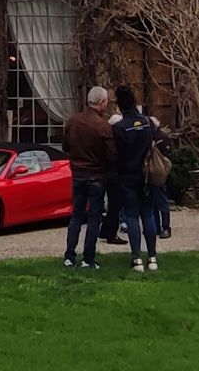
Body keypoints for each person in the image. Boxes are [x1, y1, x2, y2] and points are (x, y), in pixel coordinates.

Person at [60, 86, 115, 269]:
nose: (107, 104)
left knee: (76, 216)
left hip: (77, 174)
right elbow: (112, 155)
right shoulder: (103, 126)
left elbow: (65, 147)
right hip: (96, 176)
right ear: (101, 103)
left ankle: (69, 256)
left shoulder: (73, 122)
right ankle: (88, 259)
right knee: (94, 218)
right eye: (106, 101)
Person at [112, 85, 163, 272]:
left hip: (127, 176)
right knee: (148, 214)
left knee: (132, 216)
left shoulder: (119, 128)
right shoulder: (147, 123)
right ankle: (152, 257)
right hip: (147, 174)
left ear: (120, 105)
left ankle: (136, 258)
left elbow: (115, 154)